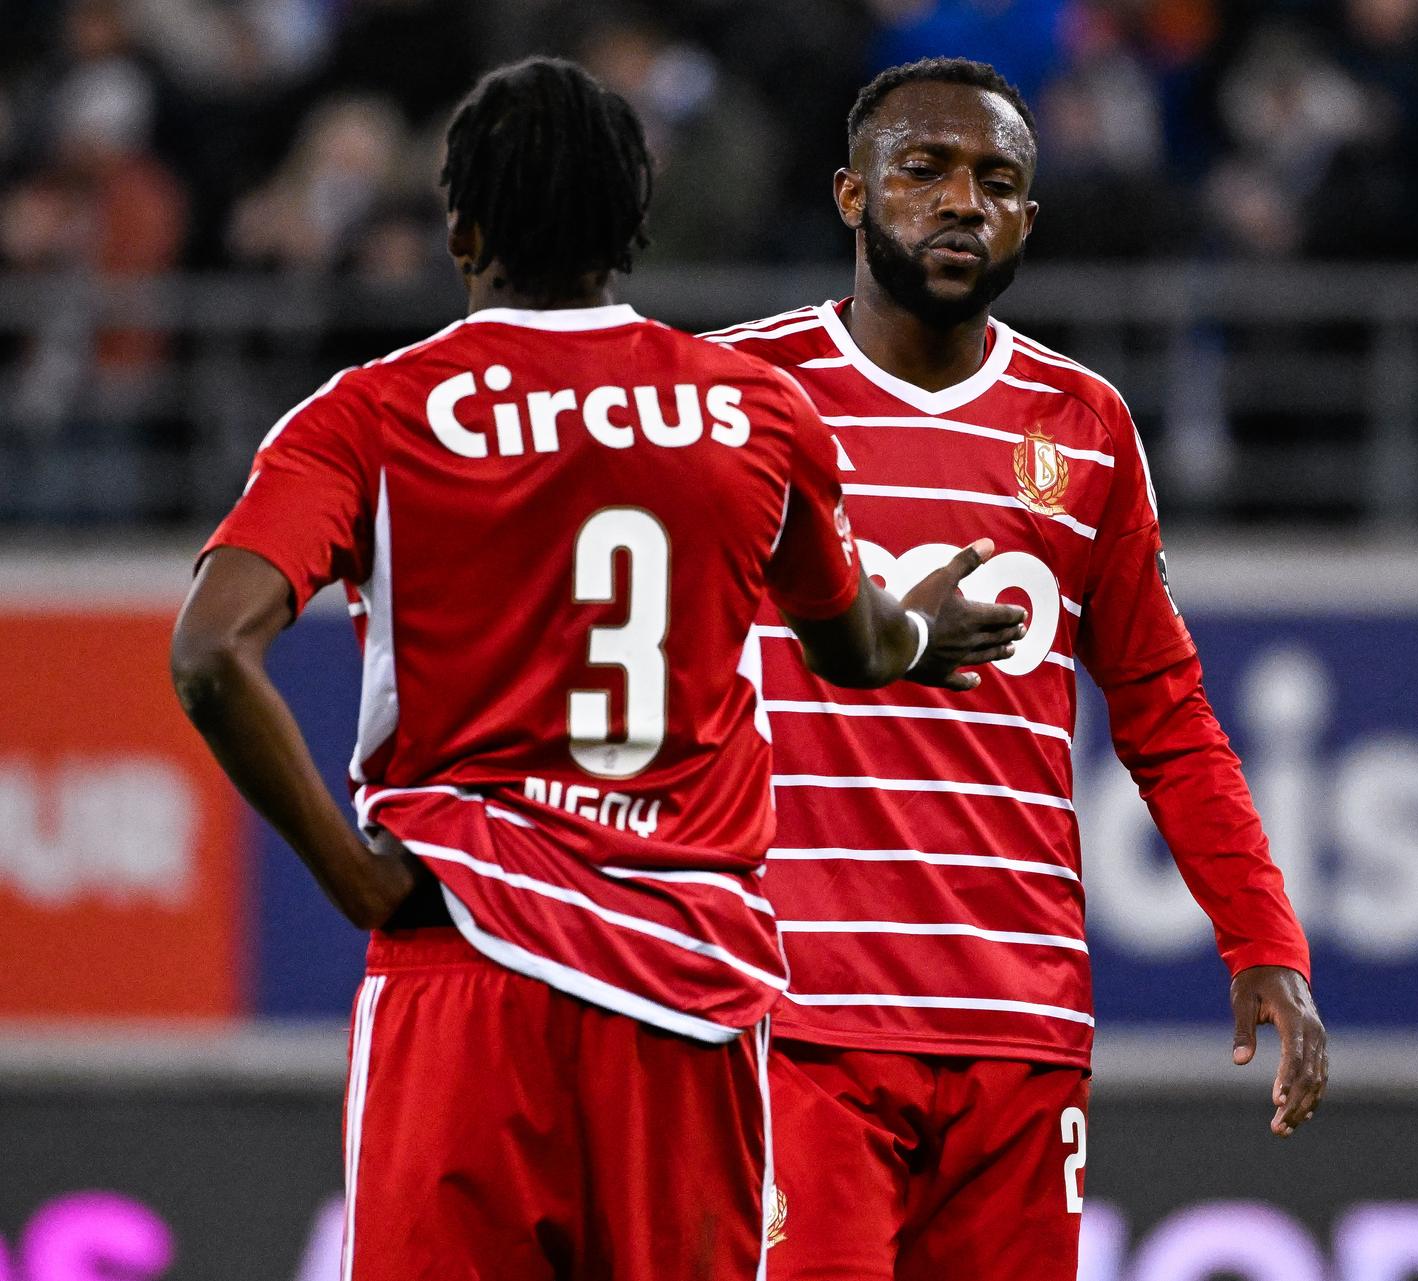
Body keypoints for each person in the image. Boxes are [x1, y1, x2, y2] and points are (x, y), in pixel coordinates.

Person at [169, 57, 1024, 1281]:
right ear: (634, 228)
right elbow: (857, 645)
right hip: (688, 995)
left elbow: (209, 656)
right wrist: (926, 634)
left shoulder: (369, 416)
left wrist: (353, 875)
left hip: (464, 968)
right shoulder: (757, 413)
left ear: (458, 229)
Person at [703, 57, 1325, 1281]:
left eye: (997, 182)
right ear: (850, 197)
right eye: (923, 171)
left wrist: (1265, 943)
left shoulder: (1084, 425)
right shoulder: (737, 393)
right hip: (797, 1013)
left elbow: (1165, 712)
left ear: (1029, 219)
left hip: (1021, 1028)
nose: (961, 204)